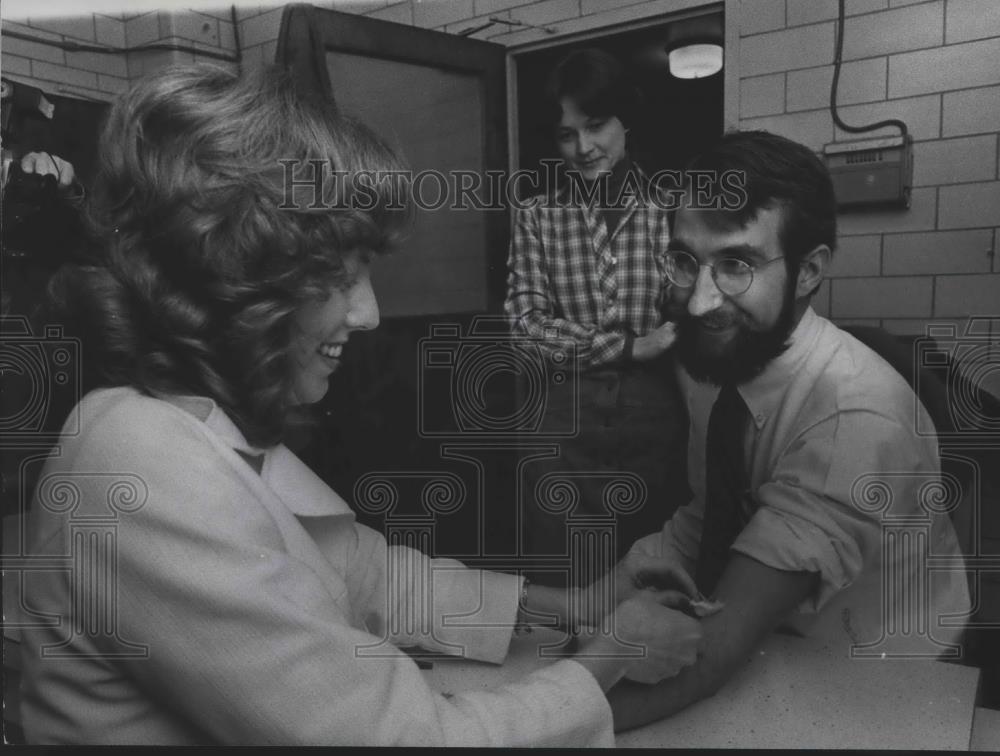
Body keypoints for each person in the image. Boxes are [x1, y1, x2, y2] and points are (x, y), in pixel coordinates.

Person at [15, 63, 705, 747]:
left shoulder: (192, 417)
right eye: (337, 280)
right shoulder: (140, 465)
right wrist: (609, 657)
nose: (370, 313)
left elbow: (367, 572)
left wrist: (578, 606)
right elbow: (401, 741)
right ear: (236, 291)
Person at [607, 130, 972, 730]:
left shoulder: (852, 421)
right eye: (684, 261)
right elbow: (707, 512)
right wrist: (593, 600)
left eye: (738, 264)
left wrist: (539, 718)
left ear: (808, 272)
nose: (699, 302)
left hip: (885, 674)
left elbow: (712, 657)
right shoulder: (723, 355)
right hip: (776, 644)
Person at [504, 48, 688, 590]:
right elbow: (523, 327)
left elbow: (688, 315)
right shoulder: (538, 215)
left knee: (652, 567)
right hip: (559, 423)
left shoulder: (673, 209)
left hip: (654, 419)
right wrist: (630, 347)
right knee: (567, 577)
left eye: (596, 125)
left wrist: (663, 335)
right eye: (566, 134)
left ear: (625, 119)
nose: (584, 148)